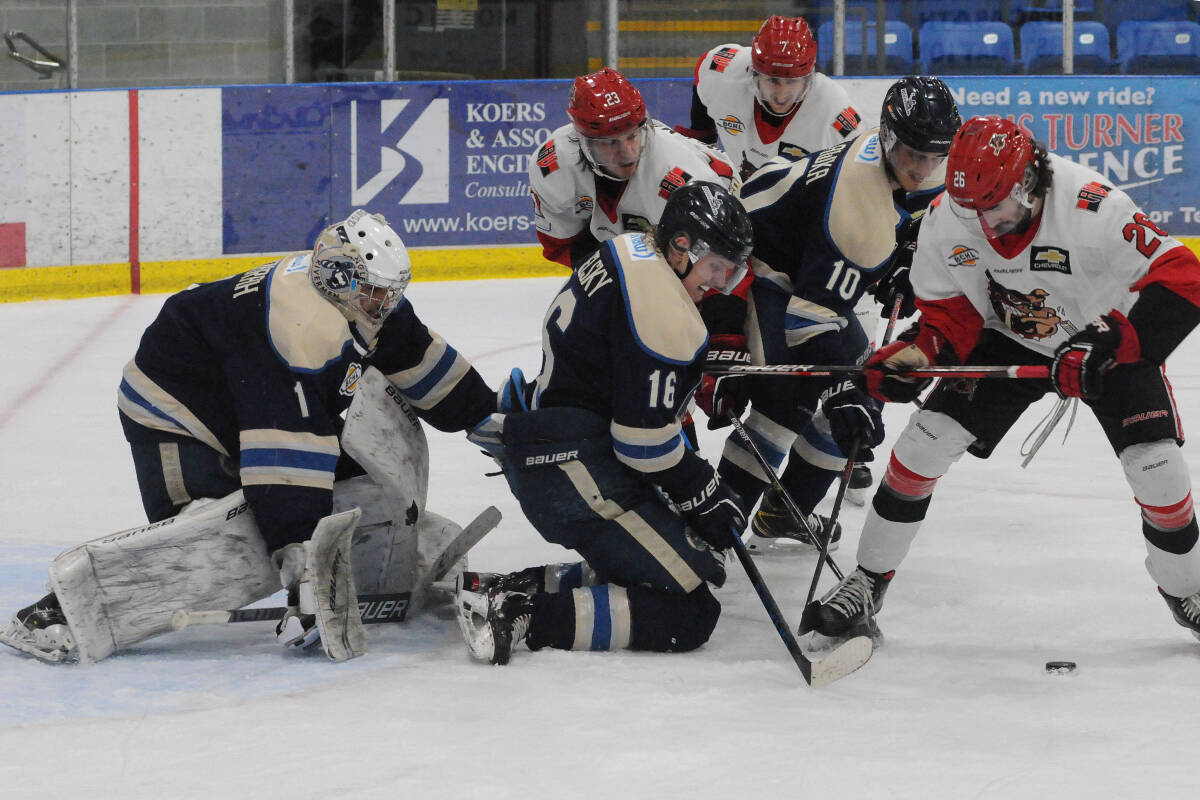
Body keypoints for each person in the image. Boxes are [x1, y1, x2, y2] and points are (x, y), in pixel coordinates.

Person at [1, 210, 498, 663]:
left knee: (331, 483)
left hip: (243, 386)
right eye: (375, 293)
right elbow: (284, 454)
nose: (383, 303)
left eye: (390, 293)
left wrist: (487, 415)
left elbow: (418, 355)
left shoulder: (356, 297)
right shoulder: (298, 326)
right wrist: (300, 557)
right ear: (342, 277)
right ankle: (56, 613)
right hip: (177, 407)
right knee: (208, 527)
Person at [808, 115, 1200, 644]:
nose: (984, 224)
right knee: (922, 445)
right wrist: (918, 355)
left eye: (994, 206)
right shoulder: (953, 215)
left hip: (1105, 338)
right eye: (972, 208)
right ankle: (868, 580)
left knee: (1157, 469)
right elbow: (950, 315)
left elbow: (1185, 274)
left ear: (1029, 182)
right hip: (1012, 333)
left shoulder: (1092, 204)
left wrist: (1118, 343)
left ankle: (1186, 590)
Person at [455, 182, 753, 665]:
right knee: (688, 609)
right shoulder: (664, 308)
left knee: (687, 561)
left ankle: (518, 587)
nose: (720, 283)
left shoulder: (627, 247)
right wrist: (703, 490)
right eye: (716, 265)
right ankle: (521, 610)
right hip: (571, 467)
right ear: (681, 248)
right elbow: (644, 446)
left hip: (555, 444)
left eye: (730, 270)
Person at [714, 76, 961, 555]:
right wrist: (839, 389)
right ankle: (716, 530)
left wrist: (906, 255)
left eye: (935, 156)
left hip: (809, 265)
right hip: (755, 266)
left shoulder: (913, 162)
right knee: (788, 401)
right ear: (888, 136)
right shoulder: (856, 207)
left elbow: (919, 211)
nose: (924, 168)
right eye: (914, 154)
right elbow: (810, 319)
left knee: (863, 397)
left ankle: (785, 510)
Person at [528, 66, 738, 271]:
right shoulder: (556, 164)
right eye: (610, 143)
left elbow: (721, 270)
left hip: (734, 221)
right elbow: (561, 245)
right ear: (584, 141)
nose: (627, 152)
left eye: (632, 136)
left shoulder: (679, 177)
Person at [676, 14, 862, 182]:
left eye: (791, 82)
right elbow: (704, 78)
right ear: (754, 73)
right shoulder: (724, 73)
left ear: (808, 78)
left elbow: (862, 172)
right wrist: (703, 140)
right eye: (773, 80)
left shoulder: (834, 108)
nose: (781, 95)